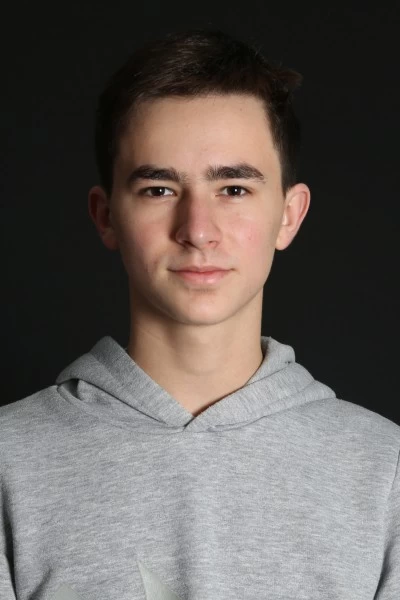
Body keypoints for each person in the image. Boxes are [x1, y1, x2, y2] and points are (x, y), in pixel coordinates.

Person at [0, 29, 399, 600]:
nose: (198, 231)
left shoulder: (385, 471)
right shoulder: (9, 462)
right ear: (105, 215)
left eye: (233, 189)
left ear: (289, 215)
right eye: (159, 189)